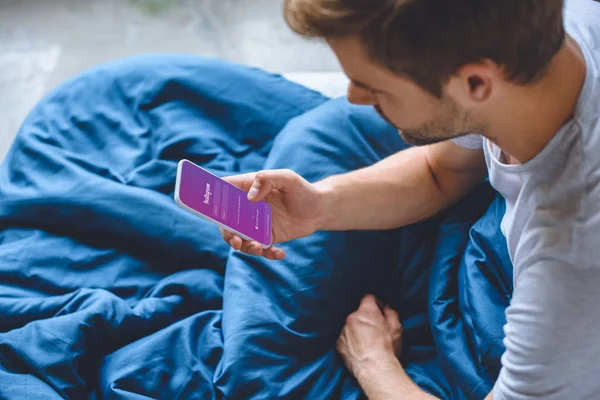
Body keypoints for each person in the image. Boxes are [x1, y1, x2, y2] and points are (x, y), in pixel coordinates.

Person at [220, 0, 600, 398]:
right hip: (494, 240)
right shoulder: (553, 28)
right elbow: (442, 171)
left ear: (476, 84)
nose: (354, 96)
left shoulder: (571, 261)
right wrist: (320, 206)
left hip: (536, 311)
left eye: (374, 87)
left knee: (264, 374)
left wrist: (373, 363)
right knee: (322, 134)